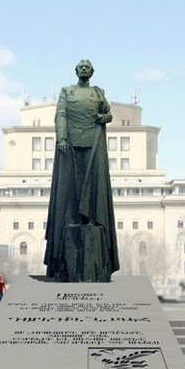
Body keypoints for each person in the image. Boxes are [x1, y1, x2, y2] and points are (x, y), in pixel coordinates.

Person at [44, 59, 119, 282]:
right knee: (70, 186)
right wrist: (62, 138)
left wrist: (104, 118)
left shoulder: (98, 92)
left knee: (93, 184)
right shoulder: (67, 91)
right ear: (76, 71)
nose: (84, 68)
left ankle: (91, 219)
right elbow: (60, 115)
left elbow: (108, 114)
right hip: (70, 143)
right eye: (81, 66)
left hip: (93, 143)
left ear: (92, 72)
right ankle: (72, 220)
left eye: (88, 66)